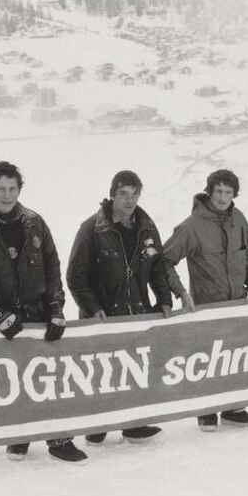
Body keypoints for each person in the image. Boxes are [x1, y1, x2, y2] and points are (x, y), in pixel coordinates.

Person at [0, 161, 88, 464]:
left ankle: (59, 438)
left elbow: (53, 267)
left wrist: (55, 307)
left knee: (50, 378)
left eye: (12, 188)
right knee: (10, 382)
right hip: (2, 325)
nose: (6, 195)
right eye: (0, 188)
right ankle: (18, 436)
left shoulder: (35, 223)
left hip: (39, 316)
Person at [66, 170, 170, 445]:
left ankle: (134, 424)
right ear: (112, 194)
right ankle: (97, 426)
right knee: (101, 372)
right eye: (123, 193)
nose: (129, 200)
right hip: (103, 315)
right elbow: (75, 275)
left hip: (137, 311)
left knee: (136, 369)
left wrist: (164, 299)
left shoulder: (147, 227)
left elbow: (158, 266)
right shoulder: (92, 228)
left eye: (135, 194)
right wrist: (91, 307)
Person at [163, 169, 248, 432]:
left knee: (235, 357)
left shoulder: (239, 219)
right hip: (207, 307)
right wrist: (181, 293)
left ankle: (233, 408)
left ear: (234, 195)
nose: (222, 197)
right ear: (209, 192)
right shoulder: (191, 226)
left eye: (228, 193)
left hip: (237, 303)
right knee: (208, 359)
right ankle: (207, 412)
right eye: (218, 191)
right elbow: (164, 261)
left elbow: (247, 254)